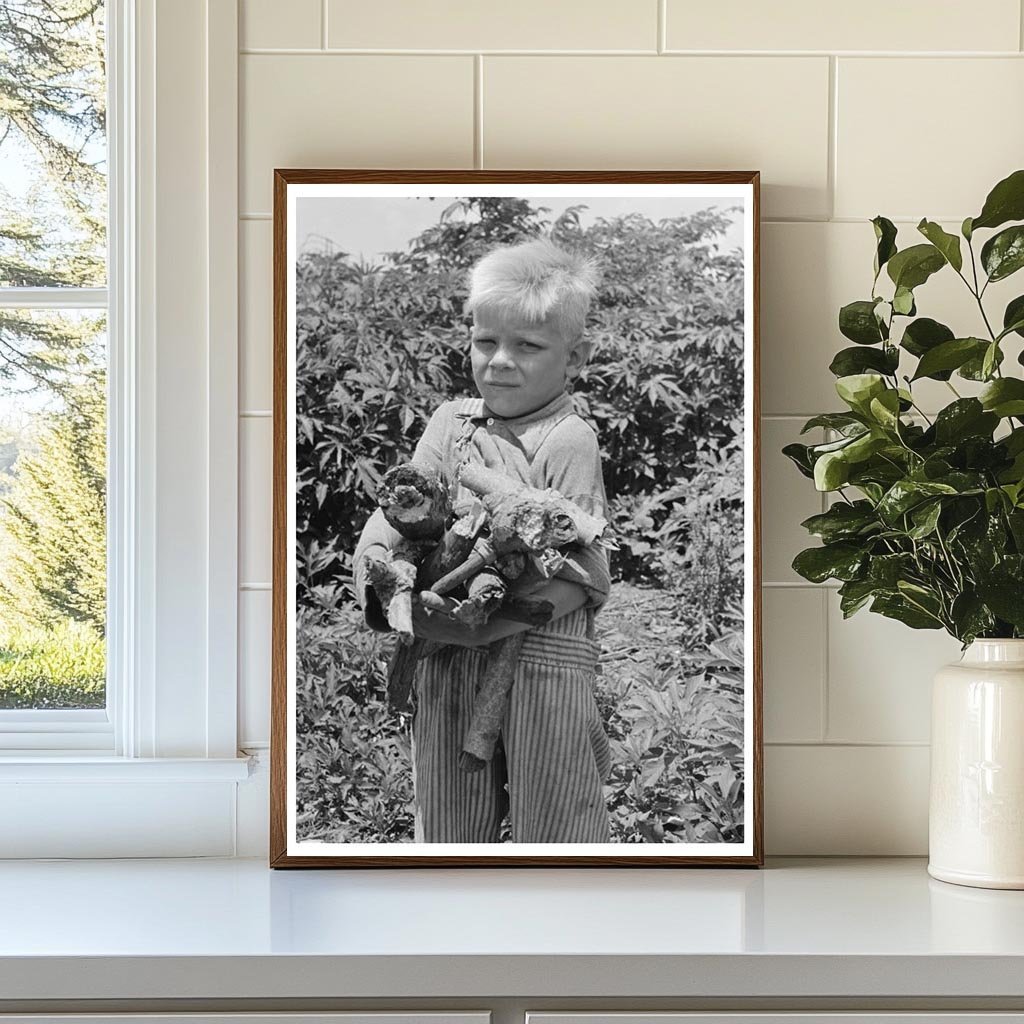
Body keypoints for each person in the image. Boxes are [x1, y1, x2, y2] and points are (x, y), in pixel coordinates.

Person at [353, 237, 613, 843]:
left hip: (540, 657)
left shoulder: (569, 438)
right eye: (485, 341)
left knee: (558, 821)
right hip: (445, 656)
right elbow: (399, 507)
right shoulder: (453, 424)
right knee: (449, 825)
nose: (499, 360)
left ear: (575, 358)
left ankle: (568, 932)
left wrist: (481, 627)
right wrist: (378, 566)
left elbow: (582, 572)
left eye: (528, 345)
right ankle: (459, 929)